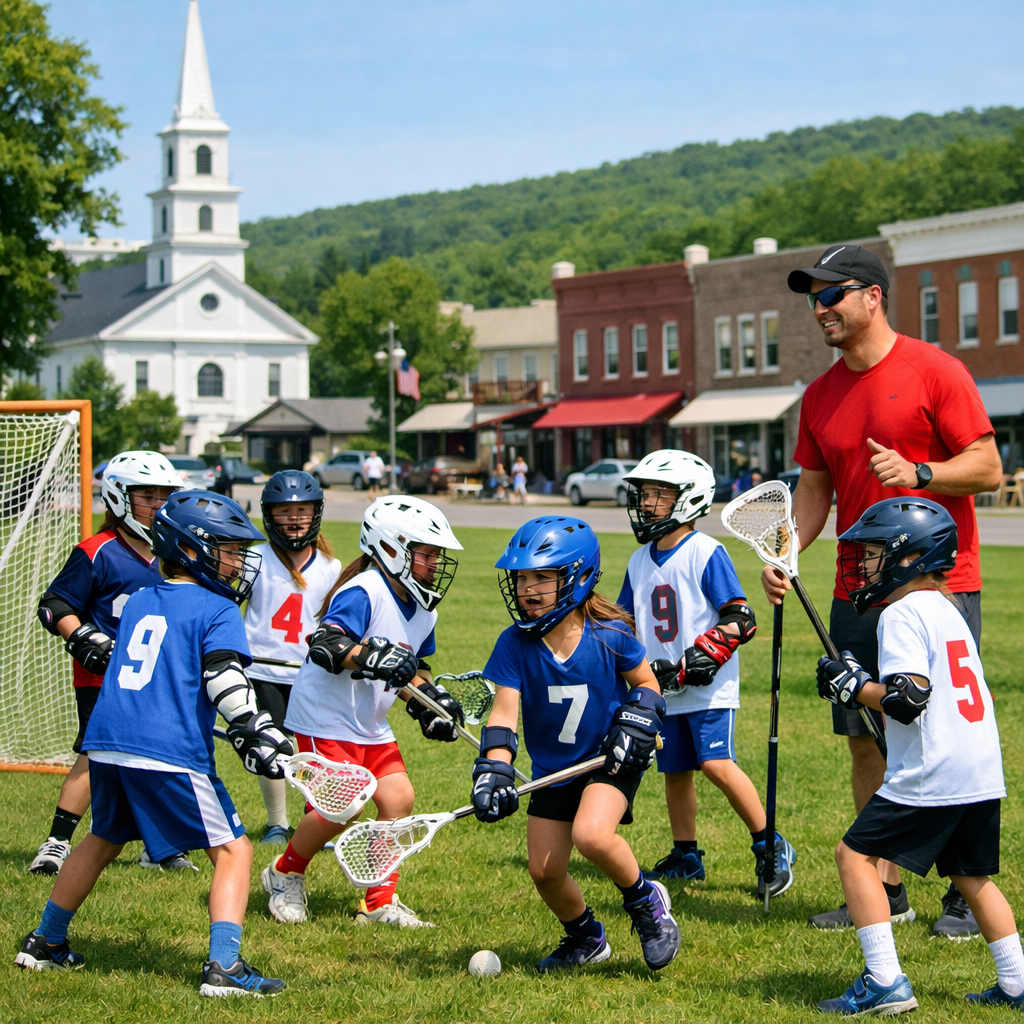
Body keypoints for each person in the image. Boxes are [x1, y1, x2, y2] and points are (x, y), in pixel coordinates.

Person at [770, 244, 1003, 936]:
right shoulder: (819, 396)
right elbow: (815, 492)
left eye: (832, 295)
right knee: (867, 737)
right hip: (856, 591)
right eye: (813, 299)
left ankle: (964, 892)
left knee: (944, 735)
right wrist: (789, 549)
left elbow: (987, 466)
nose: (821, 310)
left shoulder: (938, 371)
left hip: (939, 586)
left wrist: (920, 474)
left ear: (873, 296)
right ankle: (884, 890)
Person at [16, 491, 292, 996]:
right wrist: (254, 725)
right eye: (228, 550)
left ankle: (45, 942)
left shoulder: (142, 596)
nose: (237, 563)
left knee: (102, 838)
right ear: (192, 548)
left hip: (108, 740)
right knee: (234, 851)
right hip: (168, 749)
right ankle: (224, 968)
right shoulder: (217, 608)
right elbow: (224, 678)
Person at [814, 498, 1021, 1014]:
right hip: (978, 768)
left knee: (854, 856)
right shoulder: (948, 608)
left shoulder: (902, 612)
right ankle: (1018, 982)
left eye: (875, 553)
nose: (864, 565)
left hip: (934, 770)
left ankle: (884, 979)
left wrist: (853, 687)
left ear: (910, 557)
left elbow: (907, 699)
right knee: (972, 877)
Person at [473, 516, 680, 973]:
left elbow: (647, 683)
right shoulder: (514, 644)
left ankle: (647, 902)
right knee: (544, 871)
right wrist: (495, 767)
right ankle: (586, 936)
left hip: (610, 758)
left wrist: (639, 718)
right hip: (554, 768)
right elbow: (505, 711)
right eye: (521, 577)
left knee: (591, 834)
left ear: (579, 576)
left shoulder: (611, 632)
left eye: (541, 578)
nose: (527, 589)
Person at [261, 495, 466, 928]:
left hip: (369, 721)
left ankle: (377, 902)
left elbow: (415, 668)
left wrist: (429, 704)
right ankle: (285, 872)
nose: (434, 564)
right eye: (426, 554)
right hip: (324, 715)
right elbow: (326, 644)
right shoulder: (365, 589)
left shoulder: (423, 607)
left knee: (399, 799)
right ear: (392, 548)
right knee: (344, 806)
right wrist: (370, 656)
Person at [619, 450, 795, 898]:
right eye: (644, 494)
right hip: (660, 688)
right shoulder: (639, 561)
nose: (646, 503)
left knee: (715, 763)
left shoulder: (705, 552)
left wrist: (706, 653)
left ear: (688, 498)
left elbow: (739, 615)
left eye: (658, 494)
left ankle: (769, 844)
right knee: (674, 770)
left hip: (707, 688)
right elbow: (625, 622)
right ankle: (686, 854)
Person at [30, 450, 193, 876]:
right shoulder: (97, 551)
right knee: (96, 754)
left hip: (157, 678)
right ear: (119, 497)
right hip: (101, 677)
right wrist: (81, 635)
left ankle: (161, 844)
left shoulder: (175, 555)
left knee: (160, 754)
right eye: (147, 495)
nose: (157, 504)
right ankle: (57, 843)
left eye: (165, 495)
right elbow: (55, 604)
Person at [243, 471, 340, 844]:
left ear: (316, 512)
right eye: (285, 510)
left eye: (302, 509)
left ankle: (318, 819)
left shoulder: (331, 568)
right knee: (272, 748)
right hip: (263, 671)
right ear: (270, 514)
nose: (295, 518)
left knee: (315, 752)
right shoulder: (253, 559)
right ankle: (277, 823)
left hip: (309, 673)